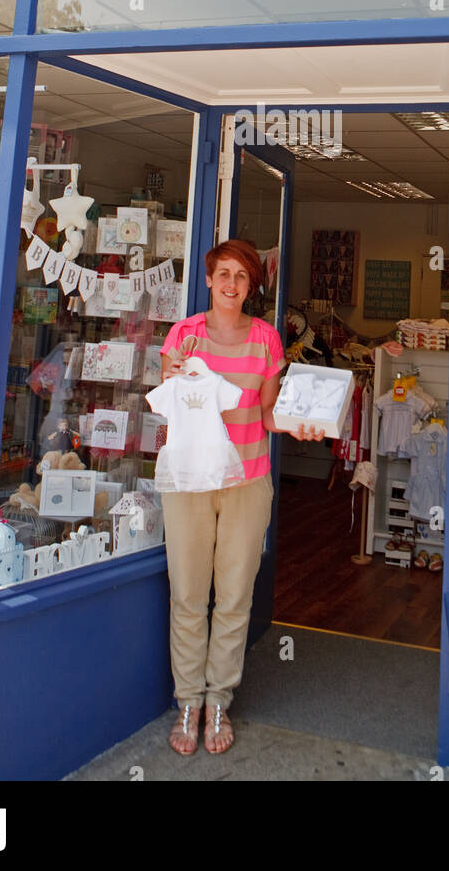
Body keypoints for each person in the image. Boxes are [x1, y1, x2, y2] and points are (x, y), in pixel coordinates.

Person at [156, 239, 323, 756]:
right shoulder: (183, 336)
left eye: (242, 278)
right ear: (208, 280)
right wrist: (180, 377)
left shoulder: (267, 340)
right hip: (189, 480)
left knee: (234, 596)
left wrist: (301, 428)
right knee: (187, 592)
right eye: (223, 274)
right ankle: (189, 701)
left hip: (248, 481)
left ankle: (219, 699)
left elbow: (268, 415)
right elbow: (167, 402)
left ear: (252, 287)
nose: (231, 284)